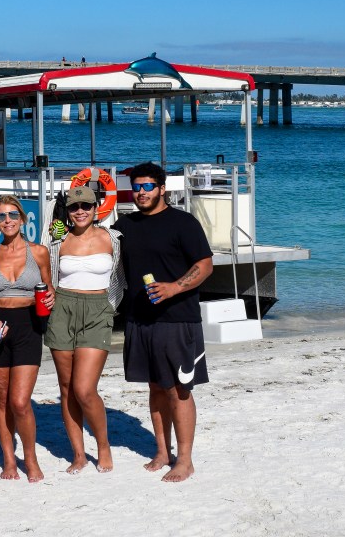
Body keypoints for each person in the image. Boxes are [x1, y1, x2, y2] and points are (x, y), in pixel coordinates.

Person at [113, 162, 213, 483]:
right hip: (139, 317)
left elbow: (205, 265)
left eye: (147, 187)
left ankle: (184, 459)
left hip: (177, 318)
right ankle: (162, 451)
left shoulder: (182, 222)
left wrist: (174, 287)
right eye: (136, 188)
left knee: (179, 389)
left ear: (161, 189)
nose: (141, 193)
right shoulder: (124, 225)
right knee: (155, 387)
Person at [44, 186, 124, 474]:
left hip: (97, 310)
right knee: (66, 389)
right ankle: (78, 454)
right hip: (62, 310)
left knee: (84, 389)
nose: (80, 212)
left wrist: (112, 308)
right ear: (67, 211)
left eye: (86, 207)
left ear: (96, 209)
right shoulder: (57, 240)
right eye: (74, 207)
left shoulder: (113, 239)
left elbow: (124, 275)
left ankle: (103, 446)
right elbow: (45, 271)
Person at [0, 195, 53, 482]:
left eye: (13, 215)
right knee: (2, 401)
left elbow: (50, 287)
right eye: (1, 216)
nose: (8, 220)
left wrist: (52, 296)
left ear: (23, 219)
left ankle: (31, 459)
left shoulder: (38, 252)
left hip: (28, 327)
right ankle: (9, 461)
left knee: (21, 401)